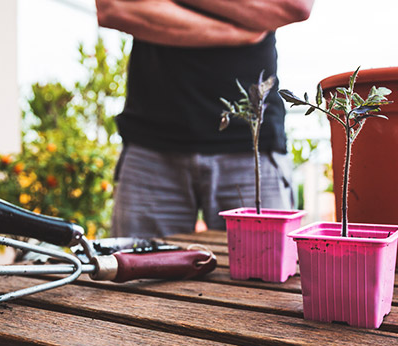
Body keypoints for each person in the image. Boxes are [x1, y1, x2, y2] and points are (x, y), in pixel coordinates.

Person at [95, 0, 315, 239]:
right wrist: (235, 31)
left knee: (268, 271)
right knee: (137, 272)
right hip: (150, 147)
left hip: (252, 147)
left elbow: (293, 6)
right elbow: (113, 7)